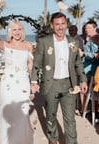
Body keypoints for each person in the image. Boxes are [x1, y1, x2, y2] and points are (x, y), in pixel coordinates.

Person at [31, 12, 88, 144]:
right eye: (57, 24)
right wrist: (34, 81)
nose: (60, 27)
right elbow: (37, 63)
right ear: (52, 26)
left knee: (70, 119)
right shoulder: (44, 42)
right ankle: (53, 139)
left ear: (66, 24)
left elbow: (78, 63)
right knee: (50, 116)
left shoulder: (73, 42)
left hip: (69, 85)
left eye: (62, 24)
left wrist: (83, 79)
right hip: (51, 85)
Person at [0, 14, 34, 144]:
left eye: (19, 29)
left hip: (23, 83)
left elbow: (30, 66)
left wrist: (32, 83)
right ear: (10, 31)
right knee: (8, 109)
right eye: (14, 29)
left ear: (22, 31)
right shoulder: (5, 45)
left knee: (23, 111)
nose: (17, 32)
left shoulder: (28, 45)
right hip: (8, 83)